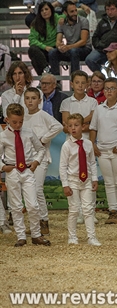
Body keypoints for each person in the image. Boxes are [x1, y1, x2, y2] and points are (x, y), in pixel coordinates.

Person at [0, 103, 49, 247]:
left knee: (33, 205)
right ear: (7, 119)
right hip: (13, 171)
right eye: (14, 122)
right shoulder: (3, 136)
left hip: (27, 170)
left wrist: (36, 162)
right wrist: (3, 167)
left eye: (20, 121)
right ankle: (21, 236)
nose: (18, 124)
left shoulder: (28, 132)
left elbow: (40, 149)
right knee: (15, 206)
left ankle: (36, 235)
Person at [90, 78, 117, 225]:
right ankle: (113, 210)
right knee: (109, 182)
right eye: (107, 88)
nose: (109, 91)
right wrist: (92, 144)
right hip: (102, 150)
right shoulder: (99, 109)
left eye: (112, 88)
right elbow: (93, 128)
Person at [24, 87, 63, 235]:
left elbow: (58, 126)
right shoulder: (24, 117)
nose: (30, 101)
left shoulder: (43, 115)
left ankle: (44, 221)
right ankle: (35, 224)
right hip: (27, 158)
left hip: (41, 157)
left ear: (39, 101)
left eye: (33, 98)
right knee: (29, 190)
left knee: (37, 188)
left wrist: (44, 139)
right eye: (27, 98)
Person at [60, 113, 100, 245]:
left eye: (76, 125)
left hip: (87, 180)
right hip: (73, 181)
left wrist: (95, 179)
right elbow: (63, 166)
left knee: (88, 209)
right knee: (74, 209)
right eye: (70, 126)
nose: (73, 128)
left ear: (83, 127)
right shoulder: (67, 145)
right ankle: (72, 236)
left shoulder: (88, 144)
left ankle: (91, 237)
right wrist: (65, 184)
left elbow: (92, 163)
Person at [85, 0, 117, 73]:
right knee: (90, 59)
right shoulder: (102, 22)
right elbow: (95, 37)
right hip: (103, 50)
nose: (110, 12)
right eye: (107, 9)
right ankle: (104, 76)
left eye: (112, 9)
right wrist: (100, 45)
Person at [48, 0, 92, 76]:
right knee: (52, 52)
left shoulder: (84, 21)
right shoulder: (61, 23)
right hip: (70, 49)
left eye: (75, 10)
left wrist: (68, 47)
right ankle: (56, 80)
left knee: (74, 51)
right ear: (65, 13)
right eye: (72, 12)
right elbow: (58, 40)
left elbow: (83, 41)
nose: (75, 13)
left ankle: (74, 79)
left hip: (84, 49)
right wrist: (60, 46)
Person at [28, 2, 65, 76]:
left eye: (46, 9)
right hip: (43, 50)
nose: (44, 12)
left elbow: (71, 15)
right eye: (42, 10)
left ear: (51, 10)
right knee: (32, 50)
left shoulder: (57, 18)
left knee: (36, 60)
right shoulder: (35, 23)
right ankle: (46, 71)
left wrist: (82, 7)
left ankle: (48, 78)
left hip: (55, 49)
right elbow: (32, 40)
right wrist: (45, 47)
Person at [60, 71, 98, 140]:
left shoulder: (93, 102)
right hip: (70, 142)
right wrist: (84, 124)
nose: (80, 86)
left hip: (88, 141)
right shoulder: (65, 102)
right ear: (72, 84)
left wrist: (73, 125)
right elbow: (66, 128)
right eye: (77, 82)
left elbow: (93, 126)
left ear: (87, 84)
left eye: (83, 83)